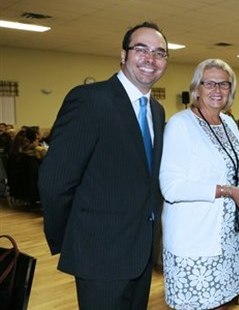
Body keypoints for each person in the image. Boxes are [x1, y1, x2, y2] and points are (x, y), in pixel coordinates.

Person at [38, 21, 168, 309]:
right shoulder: (89, 100)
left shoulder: (157, 111)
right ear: (123, 54)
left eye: (160, 52)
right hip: (99, 255)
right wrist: (73, 238)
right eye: (141, 49)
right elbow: (55, 181)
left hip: (141, 252)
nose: (151, 58)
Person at [159, 59, 239, 309]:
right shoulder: (180, 125)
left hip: (228, 239)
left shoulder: (227, 123)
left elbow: (234, 167)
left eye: (224, 84)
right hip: (196, 240)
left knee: (223, 304)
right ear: (197, 88)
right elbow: (171, 187)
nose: (217, 90)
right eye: (210, 83)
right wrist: (229, 191)